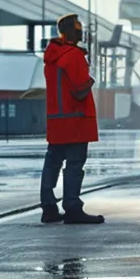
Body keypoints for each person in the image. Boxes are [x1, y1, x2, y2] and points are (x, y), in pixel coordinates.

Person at [41, 14, 105, 224]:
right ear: (71, 31)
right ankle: (72, 207)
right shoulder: (73, 56)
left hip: (57, 121)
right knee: (74, 166)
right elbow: (79, 90)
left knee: (52, 164)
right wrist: (90, 80)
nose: (82, 31)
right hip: (75, 121)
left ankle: (49, 207)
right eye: (79, 28)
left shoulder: (52, 57)